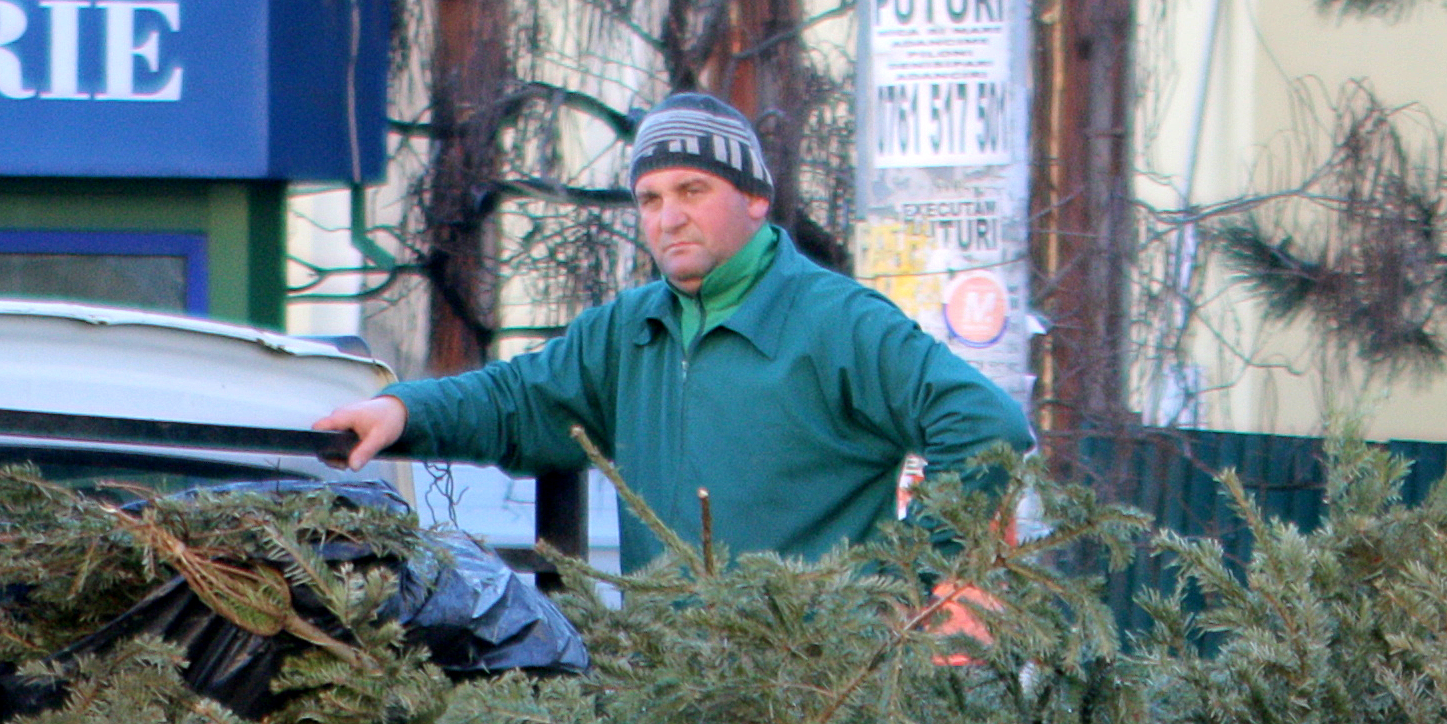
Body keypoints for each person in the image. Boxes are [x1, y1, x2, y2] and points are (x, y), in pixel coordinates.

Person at [316, 91, 1028, 561]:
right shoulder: (628, 331)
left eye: (693, 190)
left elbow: (987, 426)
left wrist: (910, 578)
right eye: (651, 198)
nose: (670, 217)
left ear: (755, 199)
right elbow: (516, 400)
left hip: (817, 703)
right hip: (666, 699)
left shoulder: (836, 321)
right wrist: (401, 410)